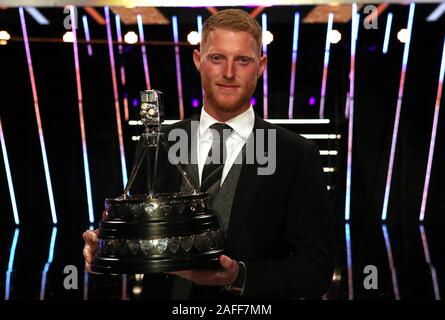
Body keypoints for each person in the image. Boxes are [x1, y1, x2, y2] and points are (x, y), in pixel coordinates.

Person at [83, 8, 333, 299]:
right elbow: (140, 234)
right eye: (217, 58)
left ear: (261, 66)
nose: (229, 72)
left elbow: (316, 271)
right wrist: (106, 245)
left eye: (242, 60)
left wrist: (239, 276)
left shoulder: (294, 154)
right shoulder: (161, 141)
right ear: (198, 59)